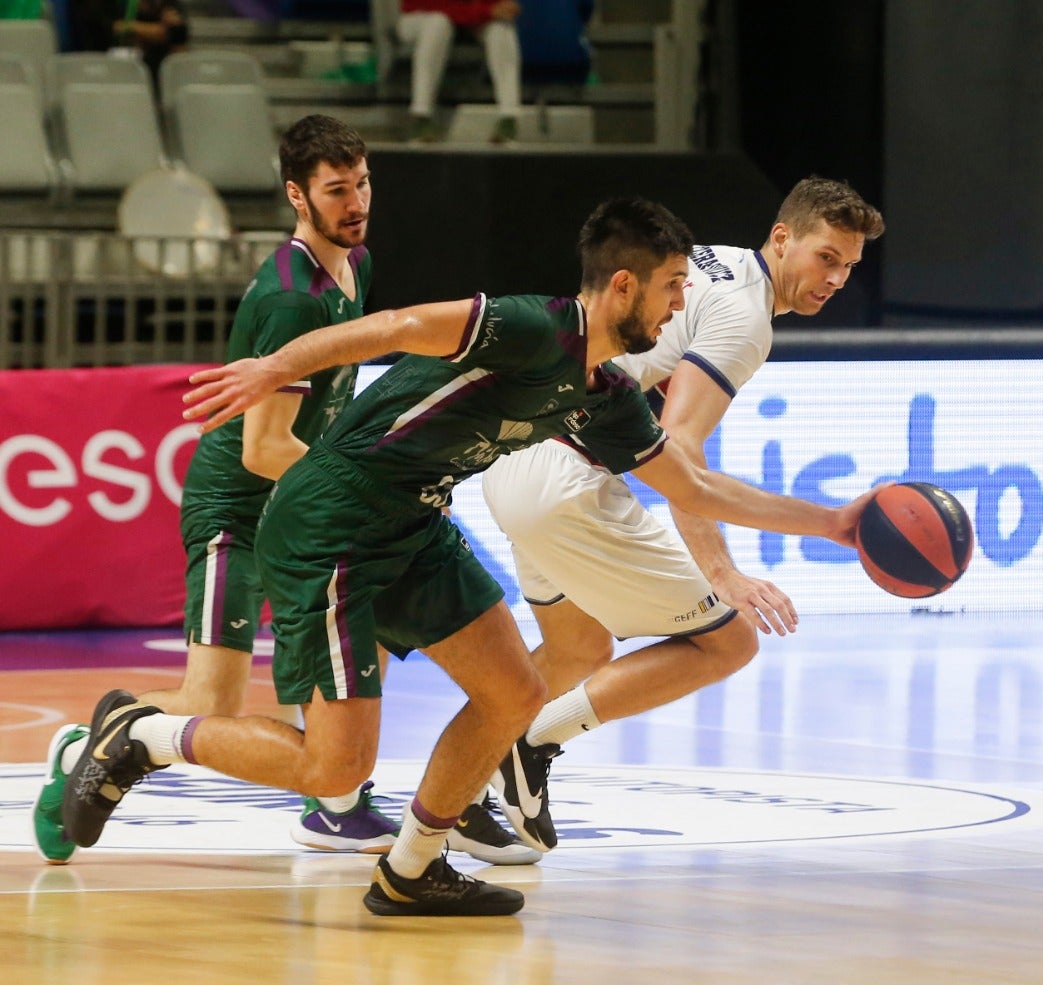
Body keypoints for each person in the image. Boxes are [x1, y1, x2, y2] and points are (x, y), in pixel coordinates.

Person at [62, 197, 872, 917]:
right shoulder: (529, 325)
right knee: (331, 764)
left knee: (516, 690)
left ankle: (413, 867)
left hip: (417, 525)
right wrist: (279, 365)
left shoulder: (608, 395)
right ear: (622, 286)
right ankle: (147, 735)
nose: (681, 301)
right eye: (669, 287)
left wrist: (833, 522)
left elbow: (693, 483)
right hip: (333, 520)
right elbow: (398, 326)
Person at [31, 113, 529, 868]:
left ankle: (338, 803)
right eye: (336, 190)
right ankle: (87, 747)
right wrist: (362, 495)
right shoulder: (293, 298)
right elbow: (264, 449)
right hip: (240, 507)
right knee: (210, 707)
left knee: (368, 625)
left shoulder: (353, 266)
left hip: (307, 510)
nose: (356, 202)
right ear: (297, 196)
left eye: (362, 184)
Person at [480, 177, 884, 852]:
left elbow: (667, 442)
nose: (837, 277)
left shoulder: (706, 260)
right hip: (563, 479)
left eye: (848, 266)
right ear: (782, 239)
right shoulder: (746, 317)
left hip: (513, 462)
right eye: (826, 258)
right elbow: (679, 452)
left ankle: (459, 789)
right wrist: (722, 571)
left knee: (579, 648)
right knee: (728, 641)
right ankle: (532, 740)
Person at [398, 0, 521, 144]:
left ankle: (509, 117)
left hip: (470, 15)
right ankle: (421, 116)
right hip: (419, 15)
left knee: (501, 28)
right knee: (438, 22)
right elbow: (433, 4)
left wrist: (504, 7)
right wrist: (487, 11)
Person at [70, 0, 189, 84]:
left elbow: (175, 32)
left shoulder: (161, 3)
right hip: (100, 67)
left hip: (152, 71)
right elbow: (101, 27)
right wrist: (138, 28)